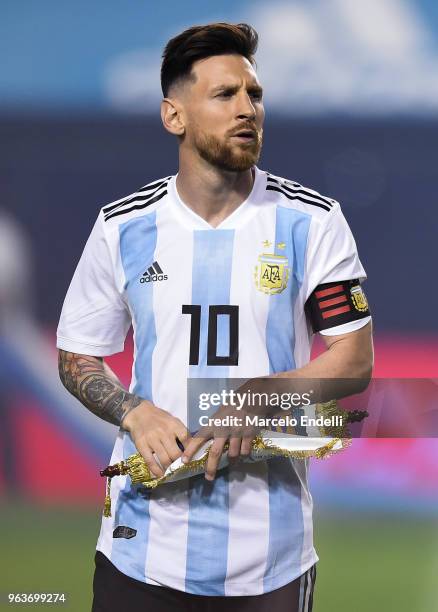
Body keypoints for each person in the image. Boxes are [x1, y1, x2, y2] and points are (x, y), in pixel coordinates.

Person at [57, 22, 373, 612]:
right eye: (224, 95)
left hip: (271, 560)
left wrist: (260, 395)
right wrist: (135, 411)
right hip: (139, 549)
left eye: (254, 95)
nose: (247, 109)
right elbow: (77, 355)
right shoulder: (122, 227)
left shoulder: (312, 222)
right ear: (174, 116)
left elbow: (355, 359)